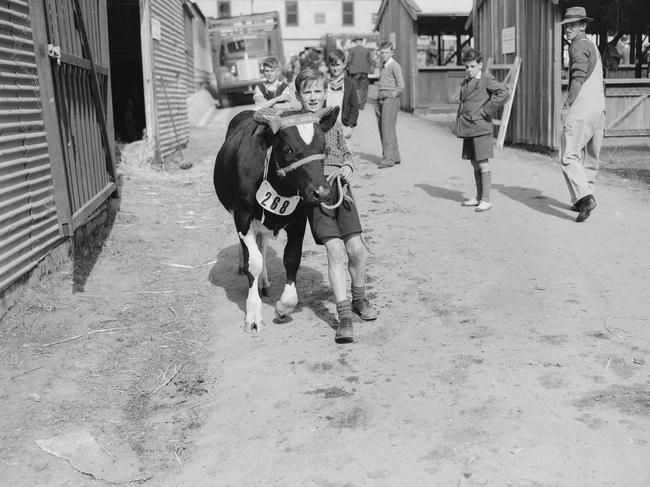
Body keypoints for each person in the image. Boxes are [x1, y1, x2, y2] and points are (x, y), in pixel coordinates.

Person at [294, 68, 377, 344]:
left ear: (326, 92)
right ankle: (344, 316)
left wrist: (349, 165)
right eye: (307, 91)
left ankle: (360, 297)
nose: (313, 96)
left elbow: (347, 151)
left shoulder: (334, 120)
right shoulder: (296, 126)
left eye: (318, 90)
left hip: (342, 190)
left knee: (356, 250)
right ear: (298, 95)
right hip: (317, 196)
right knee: (335, 252)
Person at [560, 6, 605, 223]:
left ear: (583, 26)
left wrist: (568, 104)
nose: (568, 29)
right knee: (590, 158)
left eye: (572, 25)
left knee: (569, 155)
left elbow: (578, 78)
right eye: (566, 25)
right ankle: (584, 200)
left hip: (583, 106)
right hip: (599, 108)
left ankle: (585, 198)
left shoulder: (578, 46)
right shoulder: (593, 47)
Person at [455, 48, 508, 213]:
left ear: (480, 65)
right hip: (469, 127)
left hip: (481, 127)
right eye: (466, 67)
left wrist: (486, 110)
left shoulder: (486, 79)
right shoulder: (466, 81)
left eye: (472, 66)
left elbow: (504, 93)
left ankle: (486, 199)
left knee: (483, 163)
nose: (469, 70)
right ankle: (478, 197)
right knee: (474, 162)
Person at [375, 41, 404, 169]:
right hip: (380, 98)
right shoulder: (383, 65)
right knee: (385, 129)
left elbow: (401, 85)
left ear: (391, 52)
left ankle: (388, 159)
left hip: (390, 99)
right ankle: (394, 156)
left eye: (386, 52)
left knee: (387, 129)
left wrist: (391, 96)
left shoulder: (395, 66)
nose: (384, 55)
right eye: (382, 53)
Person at [325, 49, 359, 139]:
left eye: (338, 65)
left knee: (344, 151)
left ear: (344, 65)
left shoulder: (350, 84)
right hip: (326, 128)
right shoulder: (324, 84)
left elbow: (354, 107)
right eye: (332, 65)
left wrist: (350, 125)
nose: (335, 68)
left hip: (343, 127)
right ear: (329, 65)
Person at [346, 37, 374, 110]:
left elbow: (348, 61)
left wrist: (349, 70)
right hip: (364, 72)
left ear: (355, 42)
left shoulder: (351, 50)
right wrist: (367, 69)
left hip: (354, 73)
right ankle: (362, 105)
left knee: (354, 88)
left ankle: (356, 103)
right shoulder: (366, 50)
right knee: (364, 89)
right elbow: (371, 62)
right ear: (361, 42)